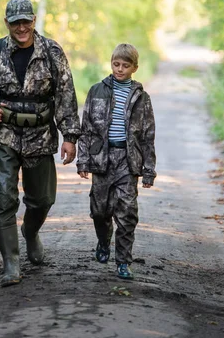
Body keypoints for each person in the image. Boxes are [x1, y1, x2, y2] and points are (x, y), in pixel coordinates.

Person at [0, 0, 81, 287]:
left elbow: (65, 93)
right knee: (4, 201)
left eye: (26, 21)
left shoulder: (52, 52)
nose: (22, 27)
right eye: (16, 23)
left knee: (42, 199)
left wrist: (70, 136)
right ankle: (11, 263)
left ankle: (30, 231)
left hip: (41, 136)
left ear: (34, 20)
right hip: (4, 136)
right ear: (7, 24)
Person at [77, 43, 156, 280]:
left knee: (127, 213)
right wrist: (83, 161)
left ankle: (123, 261)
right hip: (102, 158)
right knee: (100, 211)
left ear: (135, 68)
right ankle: (103, 241)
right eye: (116, 64)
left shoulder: (142, 97)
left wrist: (148, 170)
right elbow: (87, 128)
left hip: (127, 161)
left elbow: (148, 135)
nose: (120, 69)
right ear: (111, 63)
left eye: (126, 65)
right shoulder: (96, 91)